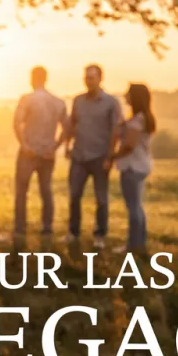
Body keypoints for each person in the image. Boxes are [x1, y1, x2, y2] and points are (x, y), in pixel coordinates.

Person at [61, 64, 123, 250]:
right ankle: (73, 233)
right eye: (86, 77)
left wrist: (109, 157)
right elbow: (72, 124)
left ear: (100, 79)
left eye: (92, 77)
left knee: (101, 198)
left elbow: (116, 131)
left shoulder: (111, 102)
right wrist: (67, 145)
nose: (88, 81)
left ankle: (100, 235)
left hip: (99, 157)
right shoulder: (78, 101)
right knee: (74, 195)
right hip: (79, 156)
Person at [11, 65, 68, 249]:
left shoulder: (27, 99)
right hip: (48, 152)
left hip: (29, 152)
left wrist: (24, 144)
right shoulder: (58, 102)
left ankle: (20, 228)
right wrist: (56, 146)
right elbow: (67, 128)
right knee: (46, 190)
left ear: (32, 78)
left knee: (22, 191)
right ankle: (47, 227)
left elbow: (17, 123)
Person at [110, 83, 156, 254]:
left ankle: (133, 245)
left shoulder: (138, 120)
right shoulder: (141, 117)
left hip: (132, 166)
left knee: (133, 207)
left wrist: (112, 157)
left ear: (135, 97)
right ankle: (139, 243)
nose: (125, 95)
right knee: (137, 206)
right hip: (140, 165)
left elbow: (128, 145)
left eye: (128, 93)